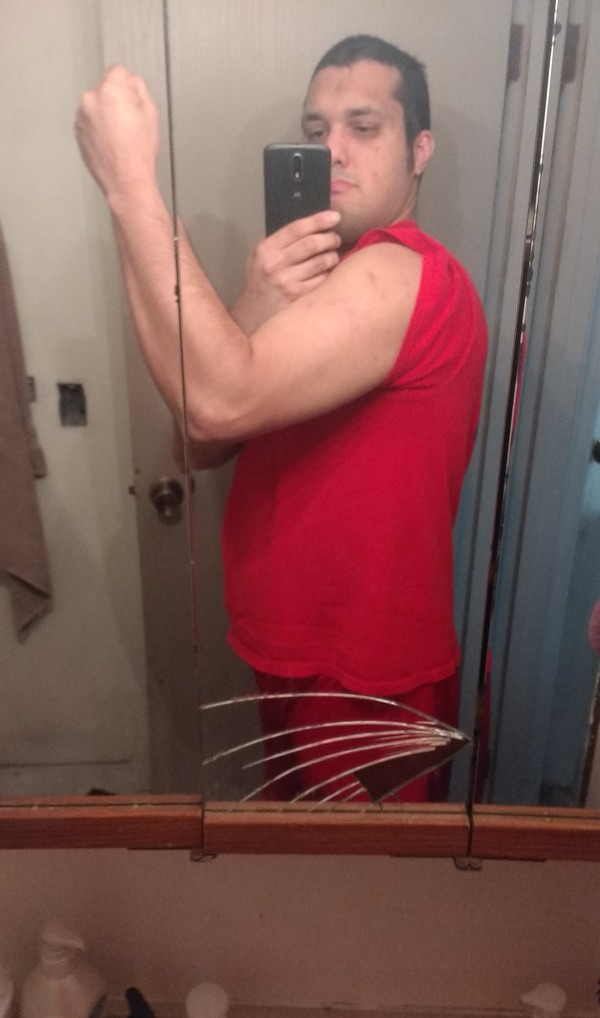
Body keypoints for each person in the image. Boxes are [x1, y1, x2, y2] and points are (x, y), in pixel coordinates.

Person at [75, 34, 487, 804]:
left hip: (368, 677)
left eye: (364, 126)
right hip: (291, 654)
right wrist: (257, 301)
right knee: (299, 864)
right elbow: (200, 440)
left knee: (352, 880)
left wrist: (132, 185)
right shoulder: (325, 282)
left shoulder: (408, 271)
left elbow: (215, 399)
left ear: (419, 149)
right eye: (315, 130)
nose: (333, 150)